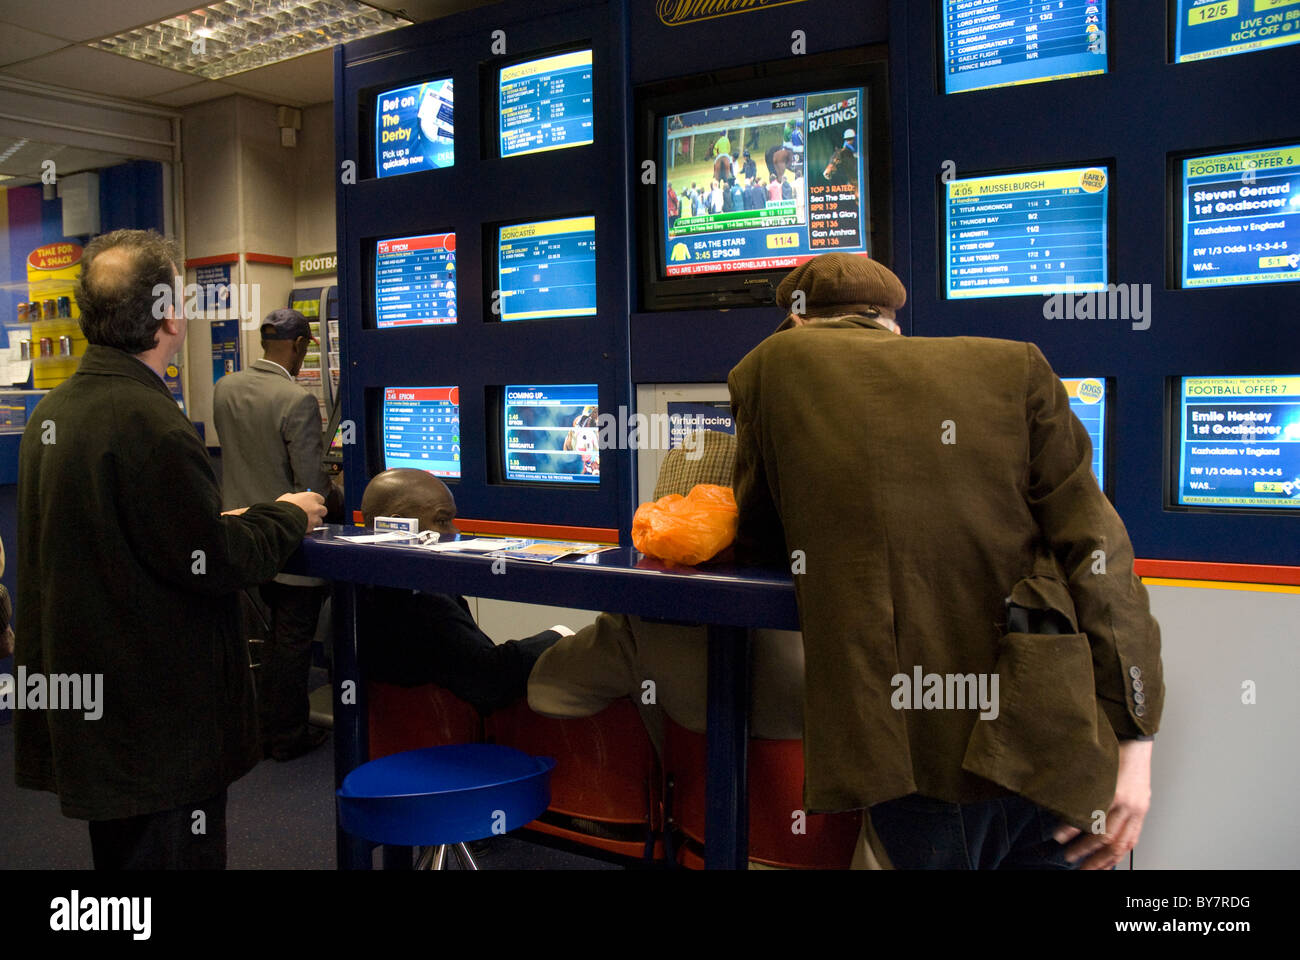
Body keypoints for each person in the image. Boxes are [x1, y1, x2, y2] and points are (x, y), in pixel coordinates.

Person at [727, 252, 1163, 870]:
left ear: (797, 322)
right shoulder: (1018, 363)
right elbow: (1099, 553)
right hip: (1056, 727)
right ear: (891, 324)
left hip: (916, 747)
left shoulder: (771, 367)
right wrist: (1136, 740)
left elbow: (761, 538)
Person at [15, 229, 326, 869]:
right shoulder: (151, 421)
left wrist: (213, 521)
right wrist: (286, 515)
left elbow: (127, 537)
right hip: (161, 729)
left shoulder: (56, 414)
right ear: (170, 317)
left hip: (100, 723)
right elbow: (214, 560)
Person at [527, 430, 804, 757]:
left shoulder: (640, 622)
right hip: (819, 806)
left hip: (689, 804)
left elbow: (545, 690)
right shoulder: (815, 617)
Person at [212, 308, 342, 762]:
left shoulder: (225, 387)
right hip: (289, 541)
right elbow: (310, 485)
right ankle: (285, 736)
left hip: (241, 535)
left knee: (266, 638)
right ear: (302, 345)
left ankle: (261, 728)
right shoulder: (296, 400)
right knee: (292, 640)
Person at [355, 469, 566, 712]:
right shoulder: (423, 605)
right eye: (443, 521)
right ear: (399, 526)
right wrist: (559, 637)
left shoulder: (351, 591)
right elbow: (489, 680)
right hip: (445, 737)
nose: (454, 532)